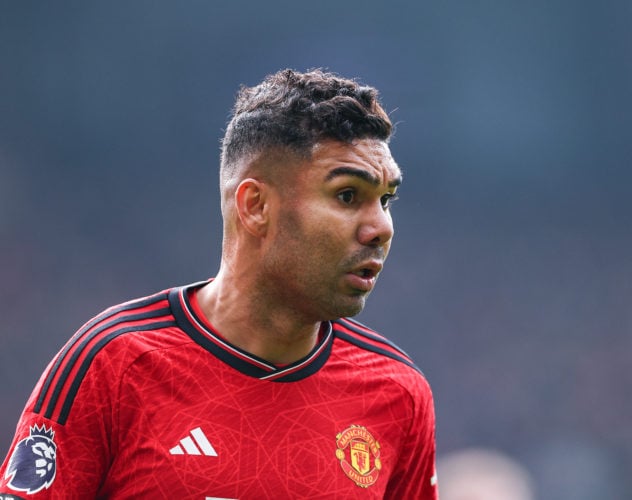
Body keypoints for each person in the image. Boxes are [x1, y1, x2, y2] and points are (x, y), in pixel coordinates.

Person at [0, 69, 437, 499]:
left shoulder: (397, 391)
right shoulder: (113, 365)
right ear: (256, 205)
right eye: (347, 195)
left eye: (386, 200)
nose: (381, 227)